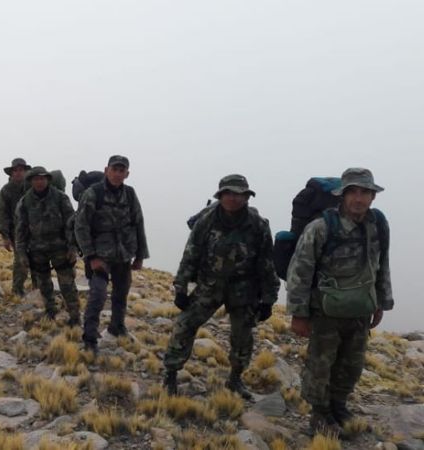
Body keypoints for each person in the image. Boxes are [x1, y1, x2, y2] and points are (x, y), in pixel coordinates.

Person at [286, 167, 393, 435]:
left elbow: (381, 264)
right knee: (320, 365)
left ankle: (339, 406)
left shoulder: (377, 224)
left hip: (360, 311)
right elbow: (300, 271)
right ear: (342, 195)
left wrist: (381, 300)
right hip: (325, 312)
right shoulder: (320, 228)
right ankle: (319, 414)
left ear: (373, 196)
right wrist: (298, 314)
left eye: (365, 192)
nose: (359, 198)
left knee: (351, 365)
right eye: (353, 192)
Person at [163, 174, 280, 399]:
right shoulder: (206, 220)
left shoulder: (258, 225)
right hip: (210, 284)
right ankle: (170, 374)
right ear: (221, 196)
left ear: (247, 197)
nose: (234, 199)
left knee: (243, 336)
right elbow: (191, 254)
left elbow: (267, 263)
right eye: (229, 194)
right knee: (184, 326)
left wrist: (268, 298)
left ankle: (235, 379)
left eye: (240, 194)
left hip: (244, 289)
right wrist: (180, 287)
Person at [74, 155, 149, 354]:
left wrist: (140, 255)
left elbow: (138, 223)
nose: (117, 174)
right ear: (107, 170)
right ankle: (90, 339)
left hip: (123, 254)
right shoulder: (93, 193)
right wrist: (91, 257)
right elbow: (81, 227)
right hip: (99, 255)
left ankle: (117, 326)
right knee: (98, 295)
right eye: (114, 169)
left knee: (121, 294)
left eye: (121, 170)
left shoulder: (130, 194)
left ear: (127, 173)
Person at [15, 166, 80, 325]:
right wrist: (22, 254)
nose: (39, 182)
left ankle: (75, 316)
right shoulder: (25, 202)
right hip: (37, 251)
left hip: (61, 249)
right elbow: (21, 229)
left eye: (42, 178)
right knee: (44, 284)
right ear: (31, 181)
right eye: (36, 179)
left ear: (48, 180)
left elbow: (71, 224)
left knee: (67, 284)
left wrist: (73, 247)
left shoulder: (60, 198)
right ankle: (50, 311)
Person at [0, 158, 36, 296]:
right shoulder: (6, 191)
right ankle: (17, 290)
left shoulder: (33, 187)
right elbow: (2, 214)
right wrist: (5, 236)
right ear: (11, 173)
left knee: (37, 260)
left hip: (36, 232)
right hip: (17, 233)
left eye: (22, 170)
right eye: (16, 170)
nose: (19, 173)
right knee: (21, 261)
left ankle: (38, 289)